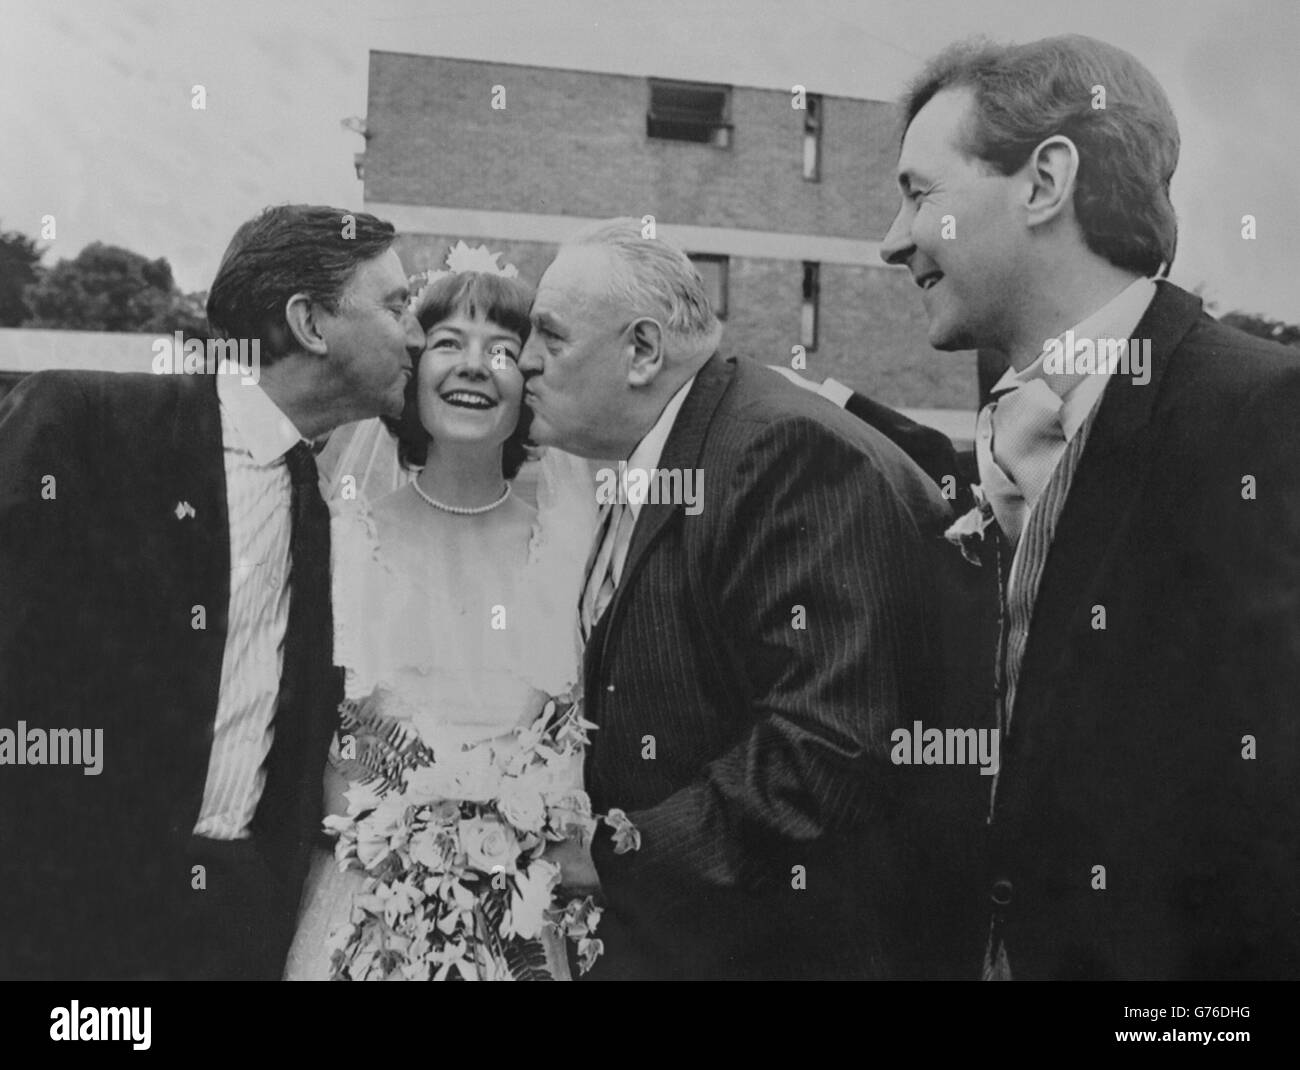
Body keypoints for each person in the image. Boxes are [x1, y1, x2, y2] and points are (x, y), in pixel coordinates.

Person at [881, 34, 1300, 979]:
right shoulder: (1003, 429)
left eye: (919, 193)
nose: (892, 239)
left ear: (1044, 182)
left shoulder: (1263, 416)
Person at [523, 217, 959, 980]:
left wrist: (614, 853)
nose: (524, 362)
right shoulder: (686, 445)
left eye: (550, 338)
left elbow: (827, 746)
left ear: (643, 350)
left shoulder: (780, 452)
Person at [0, 204, 423, 980]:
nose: (417, 334)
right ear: (310, 322)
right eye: (397, 306)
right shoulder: (84, 427)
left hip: (228, 936)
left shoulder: (323, 509)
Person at [284, 260, 596, 980]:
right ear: (414, 367)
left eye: (505, 351)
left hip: (520, 928)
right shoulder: (341, 537)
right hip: (362, 917)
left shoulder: (574, 546)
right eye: (449, 341)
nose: (476, 367)